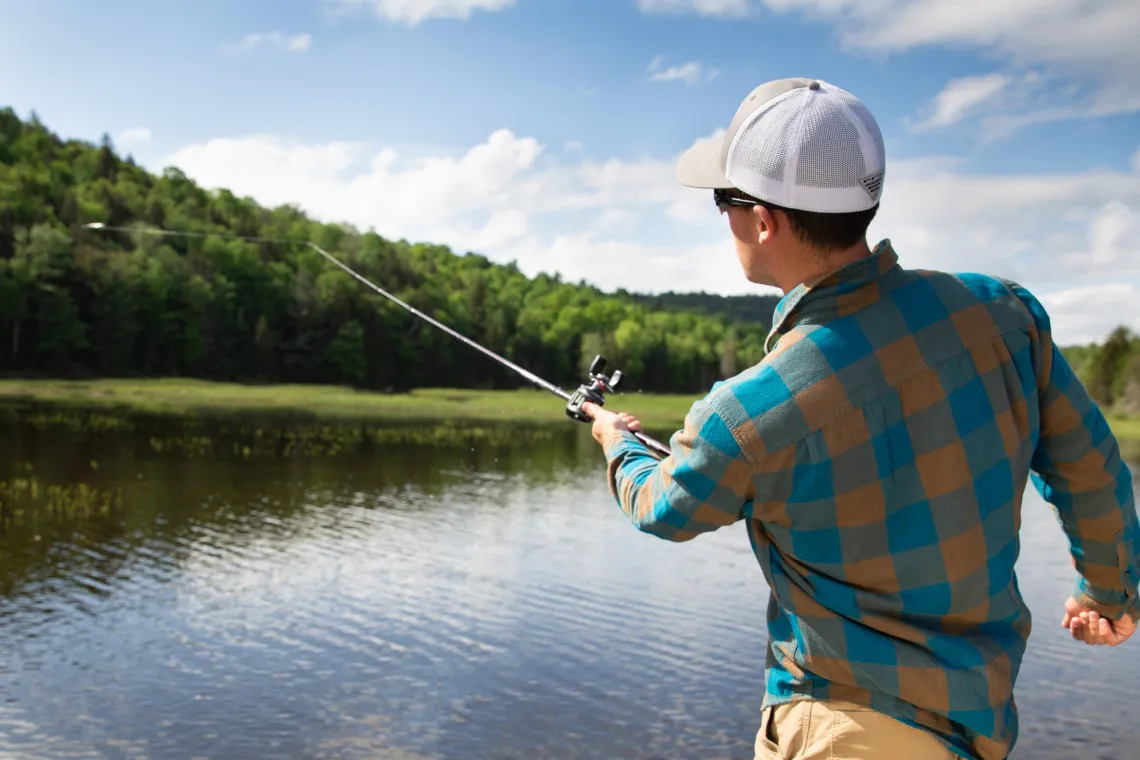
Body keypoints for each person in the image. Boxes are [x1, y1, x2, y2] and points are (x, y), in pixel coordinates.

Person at [581, 78, 1138, 760]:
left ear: (762, 220)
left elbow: (663, 506)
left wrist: (615, 440)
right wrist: (1107, 591)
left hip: (839, 735)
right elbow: (1091, 466)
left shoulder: (744, 414)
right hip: (977, 733)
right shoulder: (1004, 315)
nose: (722, 220)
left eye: (723, 202)